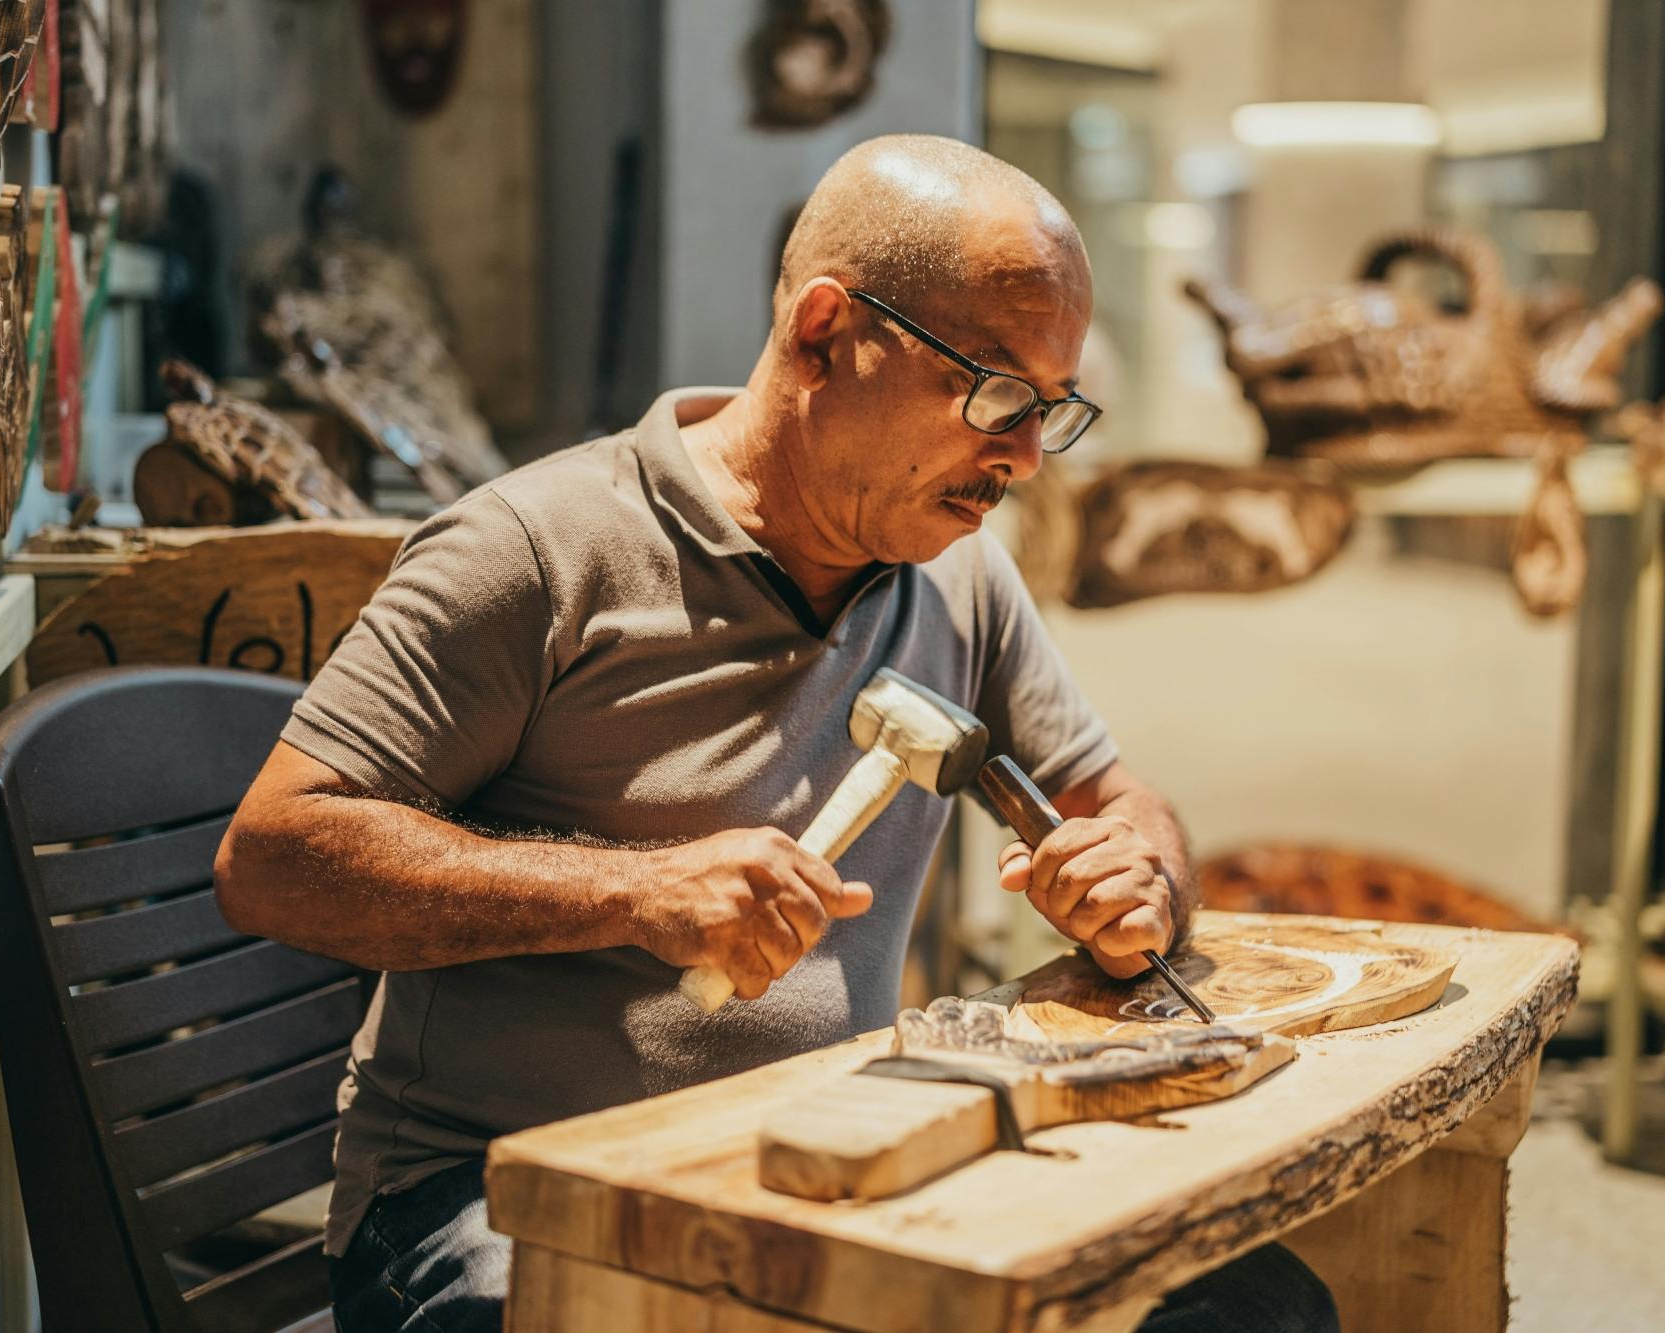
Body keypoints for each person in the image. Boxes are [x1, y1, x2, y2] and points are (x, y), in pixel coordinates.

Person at [214, 134, 1337, 1333]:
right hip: (485, 1194)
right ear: (822, 334)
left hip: (812, 1159)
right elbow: (272, 855)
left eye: (1049, 411)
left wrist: (1142, 877)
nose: (1017, 456)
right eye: (997, 390)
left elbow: (1116, 797)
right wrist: (632, 894)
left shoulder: (954, 578)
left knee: (1247, 1302)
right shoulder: (536, 552)